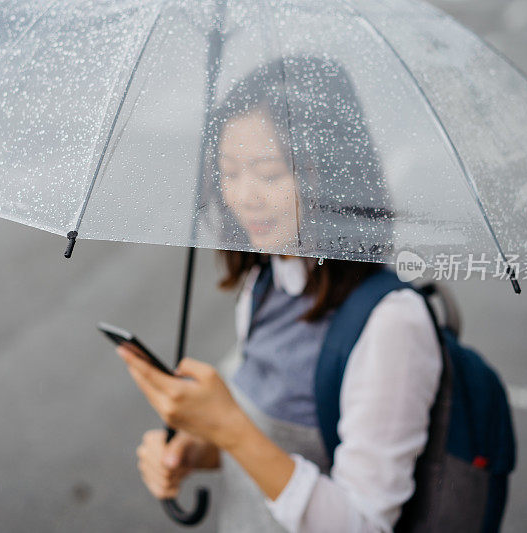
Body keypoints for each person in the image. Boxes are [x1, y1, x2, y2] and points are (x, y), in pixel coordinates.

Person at [116, 57, 442, 533]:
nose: (244, 197)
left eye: (269, 174)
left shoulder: (390, 323)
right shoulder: (265, 281)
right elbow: (274, 452)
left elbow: (366, 524)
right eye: (228, 173)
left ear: (331, 173)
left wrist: (229, 427)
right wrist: (199, 449)